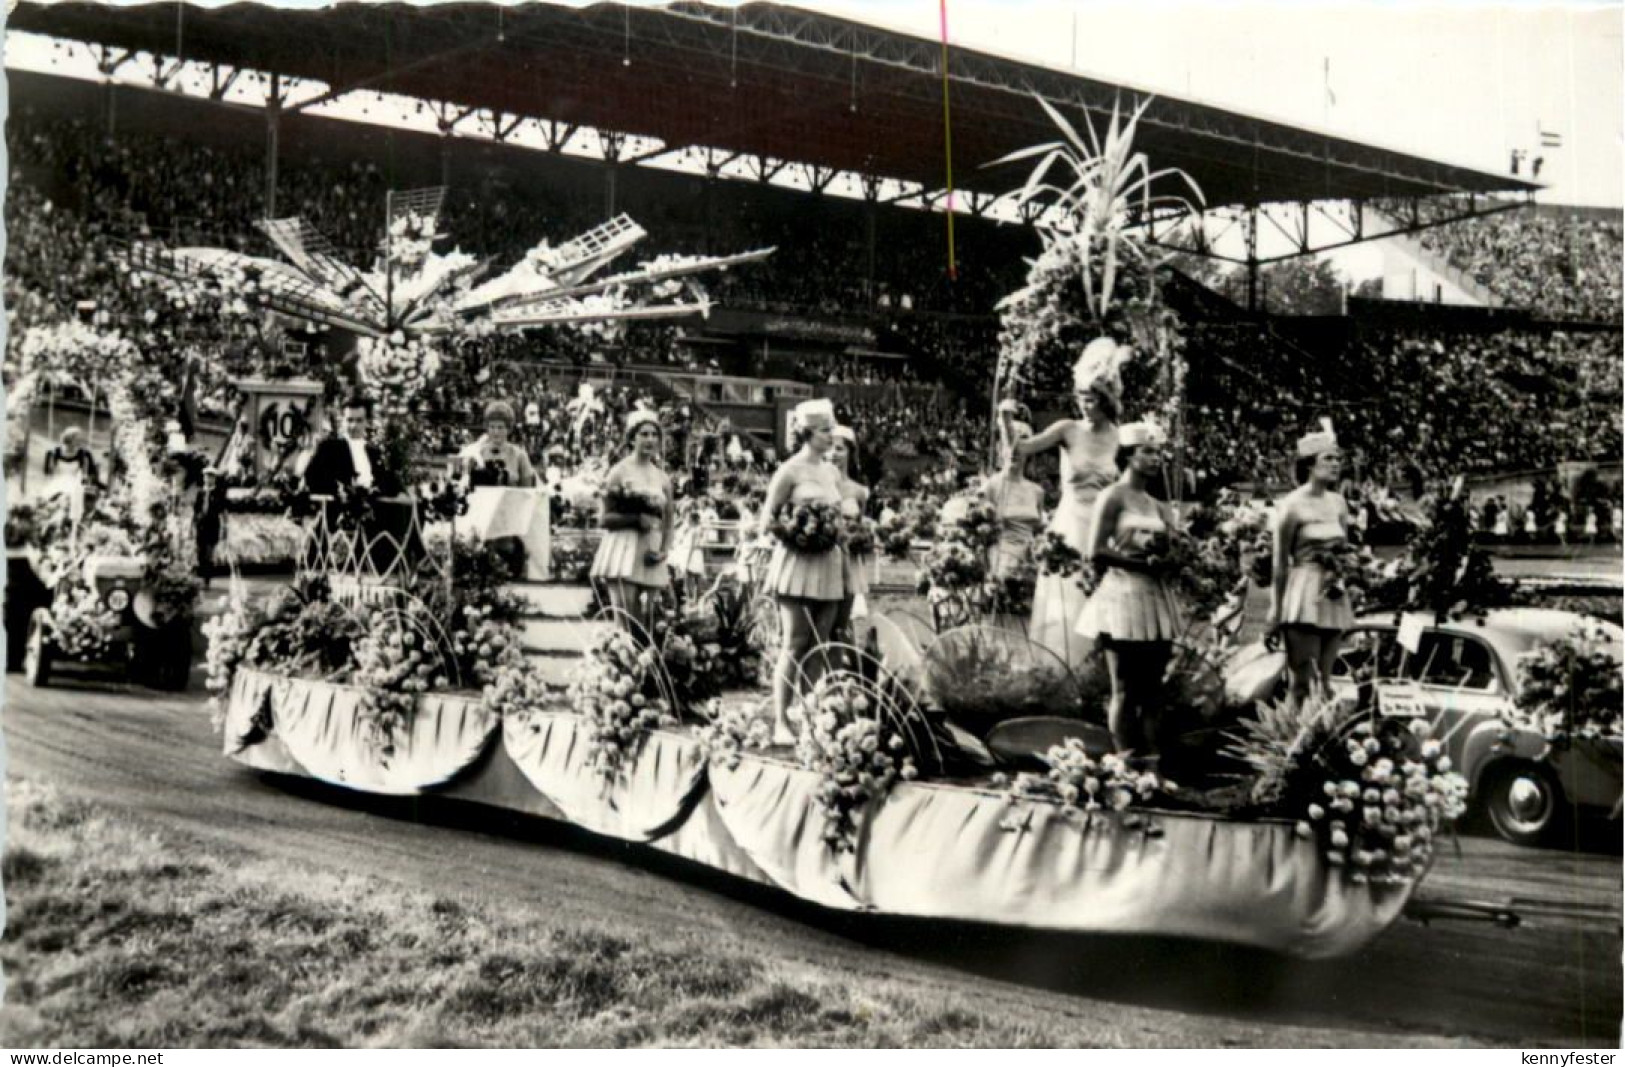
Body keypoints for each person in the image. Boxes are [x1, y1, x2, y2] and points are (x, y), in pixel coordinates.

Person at [1004, 337, 1126, 666]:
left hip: (1104, 523)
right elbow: (1022, 450)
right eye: (1083, 399)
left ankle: (1099, 667)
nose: (1087, 406)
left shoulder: (1118, 436)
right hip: (1072, 523)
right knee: (1068, 597)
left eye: (1094, 400)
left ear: (1107, 400)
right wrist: (1006, 421)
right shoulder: (1067, 429)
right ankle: (1060, 666)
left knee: (1102, 595)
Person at [1075, 421, 1184, 760]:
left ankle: (1151, 764)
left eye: (1157, 452)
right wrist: (1142, 564)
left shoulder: (1156, 504)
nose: (1155, 459)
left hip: (1154, 598)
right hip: (1121, 597)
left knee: (1154, 690)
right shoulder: (1113, 496)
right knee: (1124, 687)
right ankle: (1124, 761)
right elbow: (1096, 550)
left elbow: (1173, 548)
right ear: (1128, 456)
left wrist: (1173, 558)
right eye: (1147, 452)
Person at [760, 399, 847, 745]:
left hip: (827, 561)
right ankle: (781, 721)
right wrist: (799, 532)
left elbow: (839, 516)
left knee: (819, 643)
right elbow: (768, 519)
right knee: (795, 642)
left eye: (831, 429)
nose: (830, 436)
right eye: (825, 430)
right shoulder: (790, 471)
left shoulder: (831, 472)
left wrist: (833, 531)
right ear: (807, 433)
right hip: (796, 561)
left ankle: (809, 716)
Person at [1267, 425, 1356, 713]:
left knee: (1325, 683)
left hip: (1332, 593)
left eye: (1338, 459)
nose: (1336, 465)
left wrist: (1350, 570)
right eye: (1328, 458)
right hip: (1303, 591)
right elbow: (1280, 562)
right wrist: (1275, 610)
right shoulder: (1291, 505)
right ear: (1309, 464)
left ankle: (1317, 746)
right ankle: (1288, 745)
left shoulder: (1339, 503)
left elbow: (1346, 548)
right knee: (1301, 683)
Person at [590, 409, 672, 635]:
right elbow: (603, 519)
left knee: (652, 624)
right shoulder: (618, 472)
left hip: (651, 552)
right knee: (625, 623)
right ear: (632, 438)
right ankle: (619, 667)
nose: (650, 440)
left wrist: (664, 550)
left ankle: (649, 669)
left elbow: (669, 522)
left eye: (654, 435)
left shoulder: (662, 477)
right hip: (623, 549)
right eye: (643, 434)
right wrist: (635, 519)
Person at [983, 413, 1045, 616]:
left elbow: (1038, 534)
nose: (1015, 452)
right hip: (1000, 561)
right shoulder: (991, 486)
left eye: (1021, 446)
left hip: (1029, 563)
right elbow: (982, 534)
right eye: (1010, 446)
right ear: (1001, 450)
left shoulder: (1037, 491)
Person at [301, 394, 400, 498]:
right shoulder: (329, 448)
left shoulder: (374, 452)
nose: (353, 426)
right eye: (350, 420)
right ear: (342, 420)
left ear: (367, 422)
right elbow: (312, 479)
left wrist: (376, 490)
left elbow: (391, 487)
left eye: (359, 420)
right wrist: (343, 490)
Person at [830, 424, 872, 638]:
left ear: (849, 453)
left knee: (843, 626)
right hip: (823, 557)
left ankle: (844, 665)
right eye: (829, 448)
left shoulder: (858, 491)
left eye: (839, 449)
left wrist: (861, 538)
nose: (833, 454)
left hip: (848, 562)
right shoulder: (818, 483)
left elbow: (862, 527)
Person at [458, 400, 538, 488]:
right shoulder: (477, 454)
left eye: (500, 427)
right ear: (487, 428)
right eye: (492, 427)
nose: (496, 432)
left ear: (508, 429)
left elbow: (527, 492)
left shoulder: (520, 455)